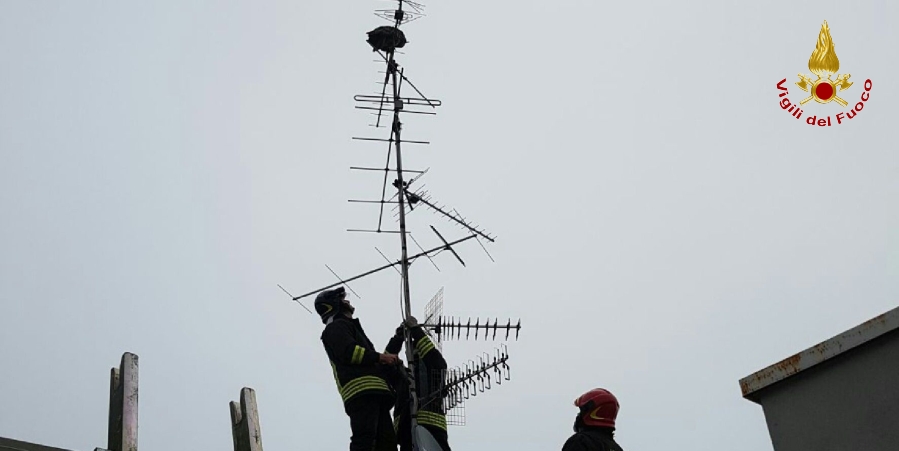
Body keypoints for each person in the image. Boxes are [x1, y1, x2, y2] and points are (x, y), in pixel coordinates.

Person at [316, 286, 401, 451]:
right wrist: (380, 357)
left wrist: (397, 341)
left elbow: (374, 362)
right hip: (361, 391)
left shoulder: (347, 327)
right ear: (335, 304)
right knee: (365, 441)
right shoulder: (335, 327)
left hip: (374, 392)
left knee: (387, 444)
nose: (347, 300)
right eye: (342, 299)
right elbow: (349, 352)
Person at [385, 316, 451, 451]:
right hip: (406, 428)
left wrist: (416, 330)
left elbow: (435, 360)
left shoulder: (432, 369)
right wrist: (398, 338)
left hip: (430, 426)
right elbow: (385, 363)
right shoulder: (404, 376)